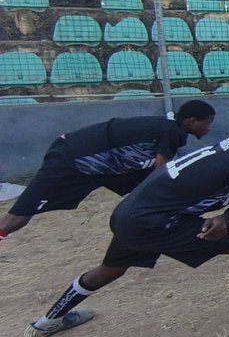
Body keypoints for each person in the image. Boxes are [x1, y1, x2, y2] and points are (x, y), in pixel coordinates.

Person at [23, 105, 229, 337]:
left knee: (110, 268)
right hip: (154, 221)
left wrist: (226, 219)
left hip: (130, 213)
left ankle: (46, 322)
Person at [0, 101, 216, 247]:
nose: (207, 130)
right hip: (72, 159)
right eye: (206, 124)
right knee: (19, 216)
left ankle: (146, 234)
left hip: (99, 169)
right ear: (191, 122)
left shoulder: (165, 127)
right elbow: (162, 170)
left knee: (142, 193)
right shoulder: (172, 131)